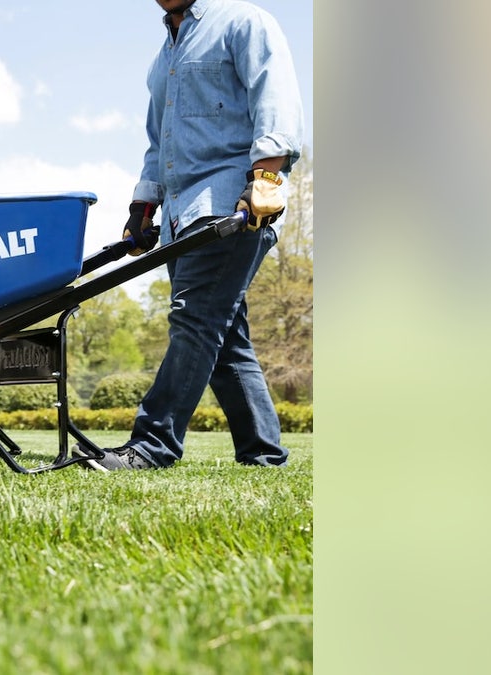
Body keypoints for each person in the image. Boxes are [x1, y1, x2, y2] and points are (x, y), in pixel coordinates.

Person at [86, 0, 304, 470]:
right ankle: (263, 452)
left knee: (194, 320)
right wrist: (143, 208)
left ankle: (152, 444)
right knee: (224, 335)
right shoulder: (163, 57)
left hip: (234, 202)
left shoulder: (244, 22)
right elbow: (158, 142)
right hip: (182, 216)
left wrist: (266, 178)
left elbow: (276, 97)